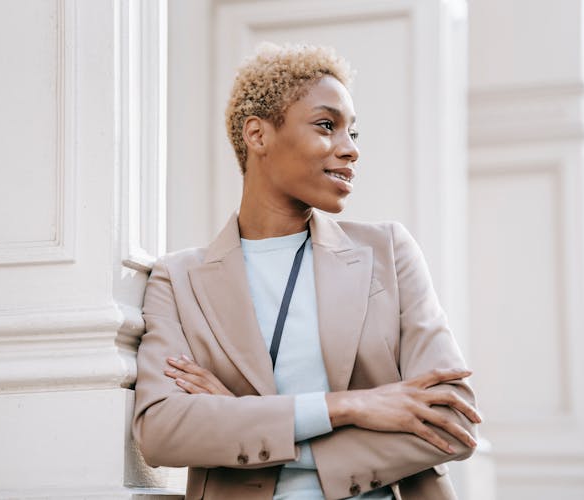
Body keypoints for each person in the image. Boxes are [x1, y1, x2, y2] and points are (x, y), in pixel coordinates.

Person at [132, 42, 481, 500]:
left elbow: (453, 420)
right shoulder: (178, 280)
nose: (350, 150)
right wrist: (351, 406)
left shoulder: (388, 252)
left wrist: (242, 417)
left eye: (353, 133)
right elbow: (161, 431)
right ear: (257, 135)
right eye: (326, 126)